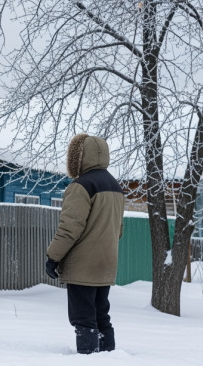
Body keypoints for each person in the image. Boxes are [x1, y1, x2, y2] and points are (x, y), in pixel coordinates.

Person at [45, 134, 124, 354]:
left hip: (82, 266)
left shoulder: (81, 186)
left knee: (84, 318)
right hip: (106, 264)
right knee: (102, 316)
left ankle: (89, 358)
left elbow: (70, 228)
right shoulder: (116, 187)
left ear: (77, 157)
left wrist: (53, 257)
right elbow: (119, 229)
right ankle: (109, 356)